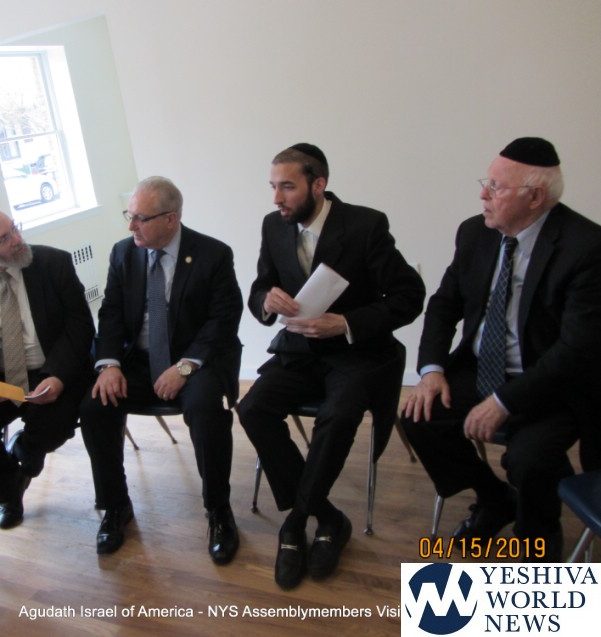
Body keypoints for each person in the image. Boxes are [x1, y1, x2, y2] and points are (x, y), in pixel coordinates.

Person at [401, 137, 601, 561]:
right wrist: (432, 371)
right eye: (485, 183)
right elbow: (444, 305)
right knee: (418, 416)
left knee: (530, 459)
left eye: (496, 187)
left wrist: (503, 402)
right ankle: (494, 498)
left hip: (551, 384)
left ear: (535, 197)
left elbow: (575, 351)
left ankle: (539, 546)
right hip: (481, 367)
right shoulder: (476, 232)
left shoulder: (586, 247)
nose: (483, 195)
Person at [236, 143, 424, 589]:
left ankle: (294, 522)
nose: (276, 198)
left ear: (318, 185)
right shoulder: (274, 224)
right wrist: (266, 299)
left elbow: (409, 296)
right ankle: (327, 516)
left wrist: (346, 323)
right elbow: (260, 287)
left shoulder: (365, 225)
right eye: (272, 187)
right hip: (298, 351)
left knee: (338, 416)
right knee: (252, 409)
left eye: (287, 187)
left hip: (357, 353)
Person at [79, 176, 243, 564]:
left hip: (195, 362)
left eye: (141, 218)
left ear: (171, 219)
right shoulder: (124, 253)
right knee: (95, 405)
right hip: (137, 361)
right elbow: (111, 313)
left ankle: (218, 511)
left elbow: (223, 320)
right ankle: (115, 505)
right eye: (129, 215)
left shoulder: (213, 254)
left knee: (205, 410)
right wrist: (109, 365)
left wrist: (184, 367)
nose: (131, 227)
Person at [0, 203, 94, 529]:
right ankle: (8, 492)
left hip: (48, 368)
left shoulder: (53, 263)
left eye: (14, 228)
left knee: (54, 424)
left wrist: (57, 375)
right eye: (3, 238)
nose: (16, 239)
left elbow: (80, 326)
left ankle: (24, 451)